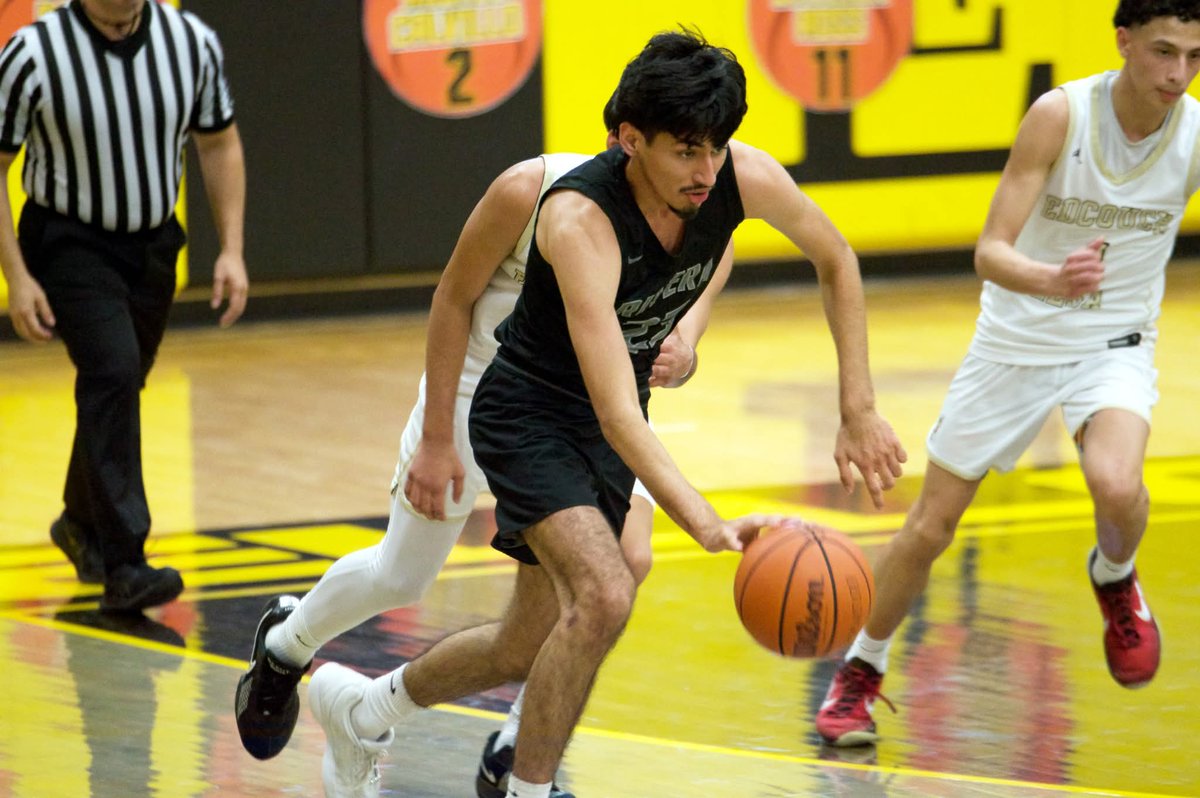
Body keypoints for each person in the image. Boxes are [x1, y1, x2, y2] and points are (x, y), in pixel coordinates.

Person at [305, 28, 906, 798]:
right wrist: (708, 523)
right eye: (685, 151)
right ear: (631, 139)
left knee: (523, 644)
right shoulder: (578, 220)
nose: (706, 169)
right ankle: (527, 788)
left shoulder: (738, 177)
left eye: (716, 147)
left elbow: (836, 259)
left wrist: (858, 407)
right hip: (528, 414)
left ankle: (363, 709)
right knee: (605, 592)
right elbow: (620, 414)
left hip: (602, 416)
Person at [234, 122, 728, 789]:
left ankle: (517, 747)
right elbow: (453, 298)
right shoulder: (533, 191)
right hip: (481, 385)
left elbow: (713, 267)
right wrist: (437, 438)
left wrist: (687, 344)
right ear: (627, 145)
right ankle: (286, 643)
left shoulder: (688, 202)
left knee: (624, 563)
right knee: (403, 576)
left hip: (588, 403)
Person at [815, 0, 1198, 748]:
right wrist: (1051, 280)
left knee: (1116, 483)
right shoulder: (1062, 116)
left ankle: (1115, 575)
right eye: (1163, 52)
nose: (1178, 73)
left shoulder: (1194, 134)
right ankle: (861, 668)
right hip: (1016, 338)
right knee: (930, 527)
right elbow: (989, 252)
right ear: (1123, 42)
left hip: (1114, 341)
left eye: (1193, 56)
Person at [0, 0, 248, 612]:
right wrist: (17, 276)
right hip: (68, 242)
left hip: (153, 245)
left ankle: (79, 522)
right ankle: (126, 564)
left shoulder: (190, 43)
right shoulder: (33, 54)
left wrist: (232, 249)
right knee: (112, 373)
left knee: (120, 384)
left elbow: (219, 144)